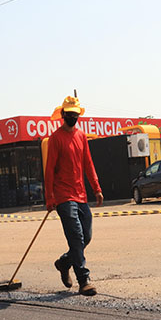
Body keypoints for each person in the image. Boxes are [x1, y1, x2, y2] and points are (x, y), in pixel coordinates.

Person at [45, 96, 103, 296]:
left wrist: (96, 188)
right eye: (69, 114)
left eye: (75, 115)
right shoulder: (55, 138)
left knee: (85, 237)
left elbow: (88, 163)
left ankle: (64, 262)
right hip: (63, 196)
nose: (72, 117)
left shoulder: (81, 136)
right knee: (76, 237)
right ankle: (84, 279)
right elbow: (49, 169)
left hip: (81, 194)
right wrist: (49, 197)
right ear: (63, 115)